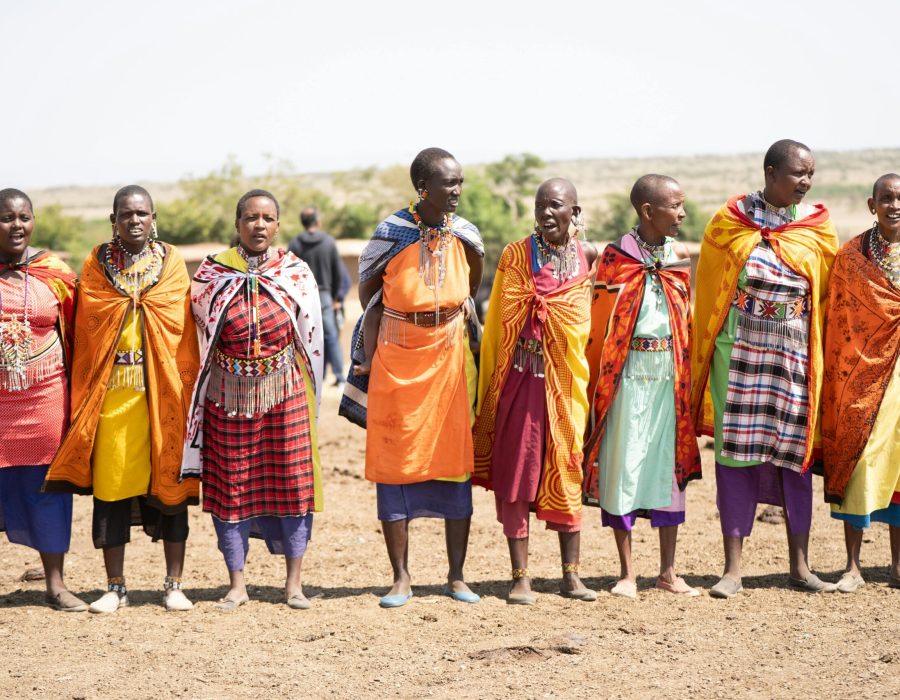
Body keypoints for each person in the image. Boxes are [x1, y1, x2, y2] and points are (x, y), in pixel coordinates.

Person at [691, 140, 839, 598]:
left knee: (794, 454)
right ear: (771, 172)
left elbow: (828, 294)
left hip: (794, 353)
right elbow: (711, 286)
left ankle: (800, 565)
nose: (806, 182)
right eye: (798, 173)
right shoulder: (730, 221)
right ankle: (732, 570)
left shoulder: (816, 226)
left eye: (810, 173)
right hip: (739, 355)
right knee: (735, 455)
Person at [45, 185, 200, 613]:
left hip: (163, 392)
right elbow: (88, 325)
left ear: (154, 218)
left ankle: (173, 585)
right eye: (125, 214)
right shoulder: (96, 264)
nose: (134, 220)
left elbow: (179, 324)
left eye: (142, 213)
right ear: (113, 221)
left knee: (170, 484)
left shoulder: (171, 264)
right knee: (111, 491)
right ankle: (115, 587)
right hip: (112, 395)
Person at [181, 189, 324, 611]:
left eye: (267, 218)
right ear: (237, 224)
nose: (259, 225)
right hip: (228, 395)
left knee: (295, 482)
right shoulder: (211, 275)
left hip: (286, 390)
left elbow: (311, 330)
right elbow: (199, 333)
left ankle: (294, 585)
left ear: (278, 225)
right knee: (232, 485)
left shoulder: (295, 271)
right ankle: (237, 584)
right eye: (250, 217)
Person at [357, 147, 483, 608]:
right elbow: (369, 289)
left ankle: (456, 576)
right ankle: (401, 578)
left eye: (460, 182)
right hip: (397, 356)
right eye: (448, 183)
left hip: (450, 357)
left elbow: (474, 282)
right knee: (394, 460)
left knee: (454, 461)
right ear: (422, 188)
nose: (456, 191)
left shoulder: (465, 234)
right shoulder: (391, 232)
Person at [473, 178, 597, 605]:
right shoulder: (515, 254)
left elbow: (583, 324)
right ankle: (520, 577)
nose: (546, 213)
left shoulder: (588, 256)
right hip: (520, 378)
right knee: (517, 473)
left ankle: (571, 576)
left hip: (566, 384)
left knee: (566, 467)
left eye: (556, 206)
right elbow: (500, 320)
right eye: (540, 205)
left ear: (574, 212)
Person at [583, 175, 701, 599]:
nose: (683, 214)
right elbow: (600, 327)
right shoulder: (616, 259)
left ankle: (668, 571)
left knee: (668, 470)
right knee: (624, 468)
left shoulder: (679, 256)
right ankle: (627, 574)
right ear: (648, 211)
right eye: (676, 206)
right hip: (627, 380)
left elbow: (686, 320)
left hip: (670, 379)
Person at [0, 189, 83, 611]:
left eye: (23, 217)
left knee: (49, 489)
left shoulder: (54, 273)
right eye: (6, 218)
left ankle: (55, 584)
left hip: (46, 398)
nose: (16, 225)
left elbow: (81, 330)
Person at [822, 173, 900, 593]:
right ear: (872, 205)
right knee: (861, 460)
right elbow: (840, 321)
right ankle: (852, 565)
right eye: (886, 198)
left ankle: (897, 565)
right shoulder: (852, 257)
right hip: (861, 374)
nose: (895, 205)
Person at [288, 207, 345, 387]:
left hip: (303, 296)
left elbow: (290, 272)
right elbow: (337, 273)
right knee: (330, 336)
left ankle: (310, 375)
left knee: (304, 336)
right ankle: (339, 376)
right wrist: (336, 297)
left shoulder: (295, 243)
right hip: (325, 295)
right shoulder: (329, 242)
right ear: (317, 222)